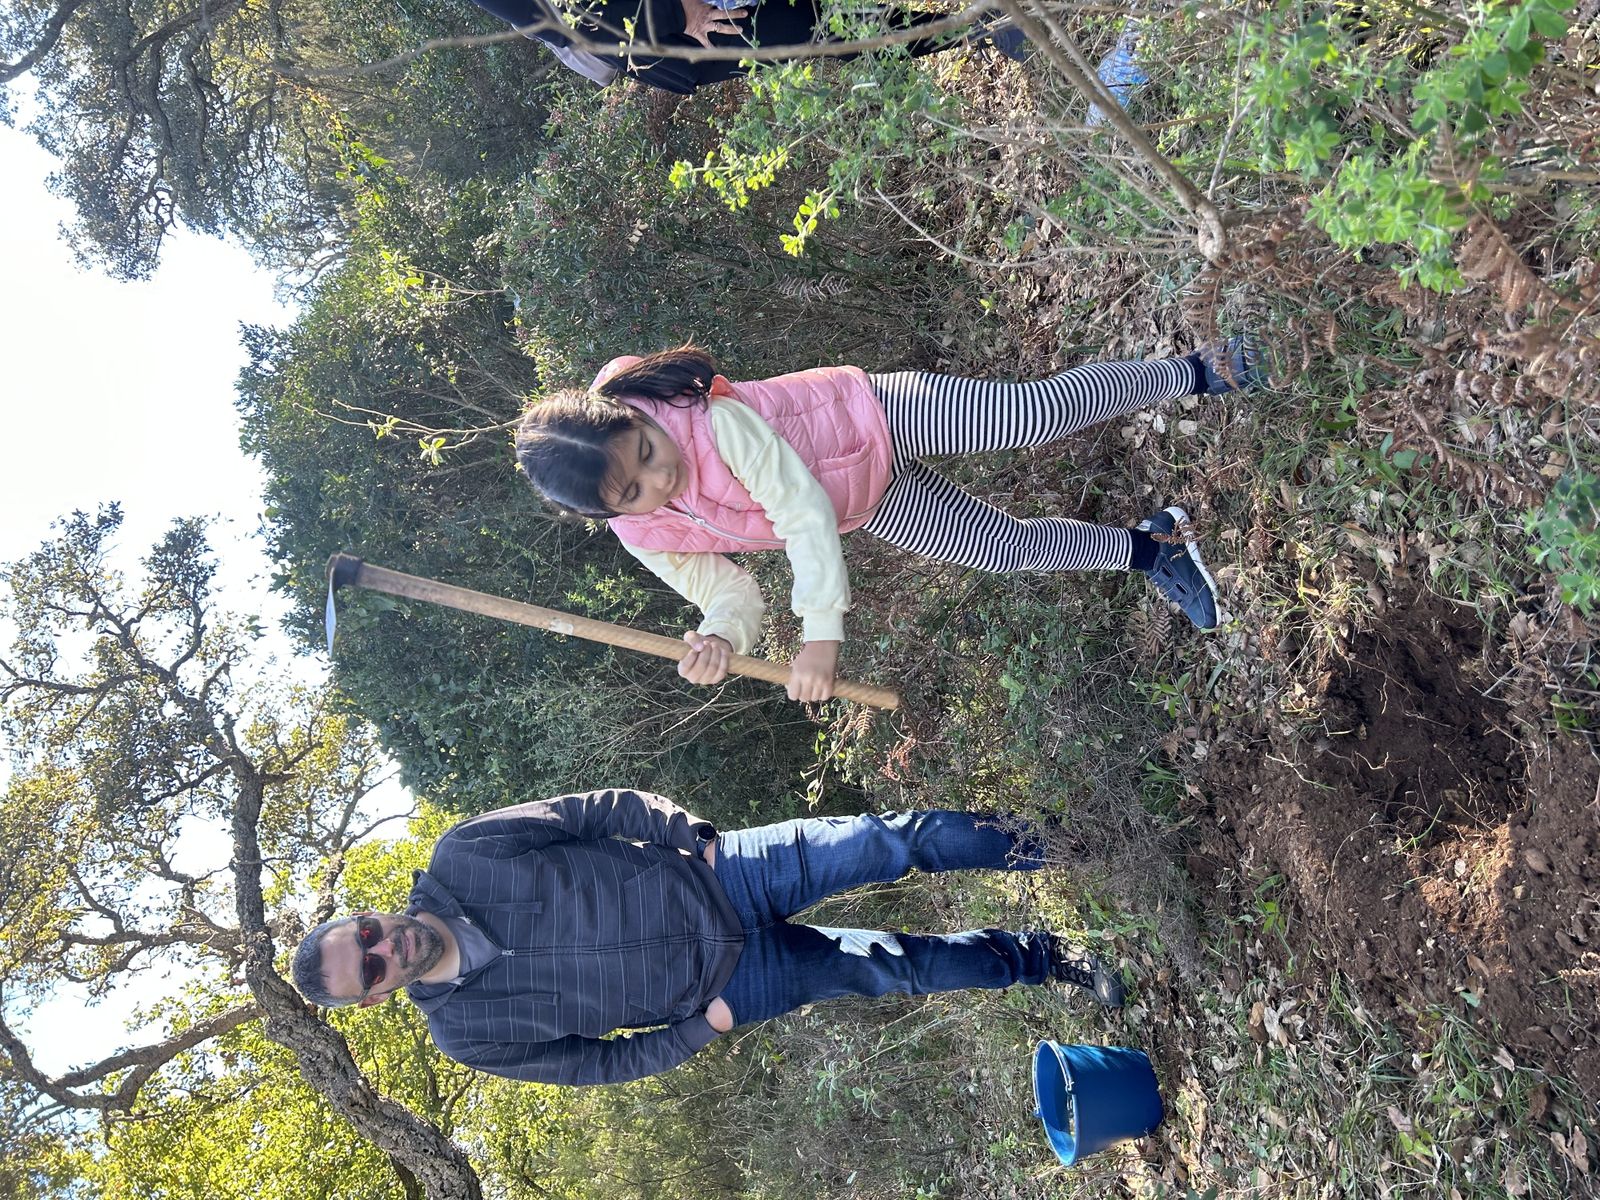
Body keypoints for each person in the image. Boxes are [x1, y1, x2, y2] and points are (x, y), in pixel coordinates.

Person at [513, 339, 1266, 700]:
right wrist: (721, 637)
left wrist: (821, 638)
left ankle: (1200, 370)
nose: (659, 474)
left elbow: (798, 508)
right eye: (635, 490)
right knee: (1001, 548)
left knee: (1035, 411)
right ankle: (1152, 547)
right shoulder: (646, 533)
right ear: (605, 515)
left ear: (631, 418)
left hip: (875, 415)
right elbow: (729, 590)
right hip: (869, 499)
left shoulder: (699, 416)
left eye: (645, 451)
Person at [290, 789, 1124, 1086]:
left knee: (887, 840)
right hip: (728, 987)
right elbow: (598, 1065)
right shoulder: (466, 1035)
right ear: (372, 996)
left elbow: (596, 810)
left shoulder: (463, 854)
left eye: (362, 931)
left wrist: (691, 833)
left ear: (363, 913)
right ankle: (1049, 960)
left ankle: (1065, 844)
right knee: (895, 972)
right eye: (366, 966)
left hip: (723, 872)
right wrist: (698, 1029)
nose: (380, 946)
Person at [468, 0, 1029, 93]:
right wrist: (668, 12)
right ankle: (978, 25)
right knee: (832, 33)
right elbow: (555, 22)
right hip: (674, 26)